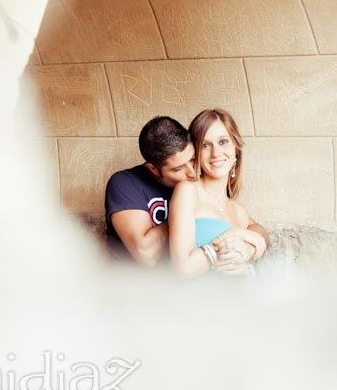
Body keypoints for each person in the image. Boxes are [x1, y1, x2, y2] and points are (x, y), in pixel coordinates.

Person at [104, 115, 268, 268]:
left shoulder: (194, 187)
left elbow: (252, 226)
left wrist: (249, 246)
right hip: (135, 288)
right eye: (178, 168)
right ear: (153, 169)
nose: (192, 172)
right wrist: (183, 212)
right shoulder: (126, 183)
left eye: (192, 159)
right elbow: (146, 255)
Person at [168, 109, 266, 279]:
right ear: (196, 152)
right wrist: (235, 234)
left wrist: (246, 268)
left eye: (223, 142)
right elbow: (183, 269)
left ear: (235, 148)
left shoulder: (239, 211)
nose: (216, 153)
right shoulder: (188, 191)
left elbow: (259, 236)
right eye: (206, 145)